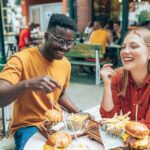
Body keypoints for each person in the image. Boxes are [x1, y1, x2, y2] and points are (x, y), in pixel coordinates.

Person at [0, 13, 80, 150]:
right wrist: (27, 85)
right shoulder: (20, 59)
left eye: (69, 43)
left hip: (58, 123)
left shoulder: (65, 64)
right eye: (60, 41)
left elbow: (59, 94)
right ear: (46, 36)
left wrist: (78, 113)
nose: (65, 47)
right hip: (28, 127)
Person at [99, 27, 150, 129]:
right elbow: (109, 119)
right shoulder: (118, 76)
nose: (125, 51)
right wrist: (107, 85)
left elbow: (147, 126)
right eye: (123, 47)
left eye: (134, 46)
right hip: (131, 137)